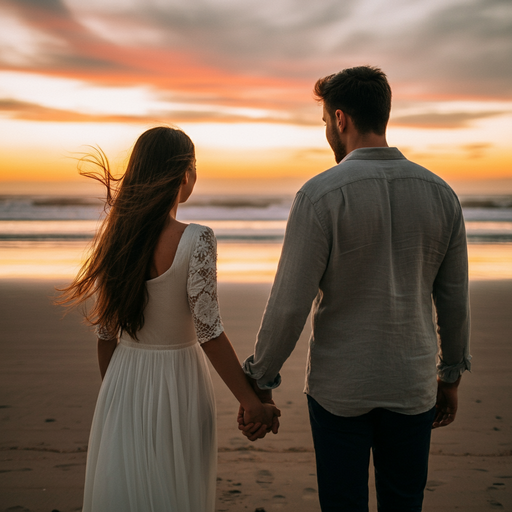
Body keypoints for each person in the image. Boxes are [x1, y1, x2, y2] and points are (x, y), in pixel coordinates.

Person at [240, 66, 471, 511]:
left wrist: (261, 379)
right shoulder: (442, 195)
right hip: (411, 383)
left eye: (326, 121)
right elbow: (454, 302)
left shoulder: (319, 195)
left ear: (340, 119)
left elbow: (290, 304)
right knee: (404, 503)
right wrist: (451, 376)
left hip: (339, 390)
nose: (327, 130)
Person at [58, 126, 280, 512]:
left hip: (122, 380)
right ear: (185, 175)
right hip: (179, 380)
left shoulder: (117, 240)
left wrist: (117, 397)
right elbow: (209, 332)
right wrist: (250, 401)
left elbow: (106, 335)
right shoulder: (197, 239)